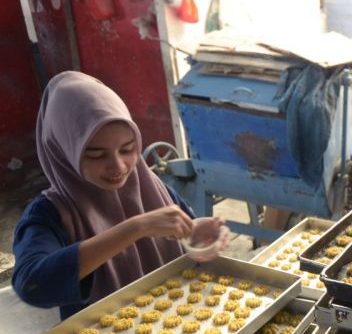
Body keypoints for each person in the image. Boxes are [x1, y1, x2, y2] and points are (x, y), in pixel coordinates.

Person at [12, 71, 225, 320]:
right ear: (64, 151)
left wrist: (199, 238)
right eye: (97, 155)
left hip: (178, 319)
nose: (119, 166)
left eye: (127, 149)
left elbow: (186, 234)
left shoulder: (152, 188)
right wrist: (135, 228)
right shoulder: (50, 213)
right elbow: (32, 285)